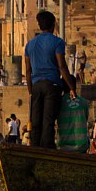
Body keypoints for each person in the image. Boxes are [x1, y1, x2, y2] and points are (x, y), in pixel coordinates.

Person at [24, 11, 69, 150]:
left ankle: (35, 148)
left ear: (39, 25)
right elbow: (62, 66)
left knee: (36, 121)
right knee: (48, 121)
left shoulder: (30, 45)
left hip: (36, 86)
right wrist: (71, 86)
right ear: (53, 25)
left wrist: (31, 90)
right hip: (52, 85)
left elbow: (28, 70)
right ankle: (47, 149)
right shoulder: (58, 42)